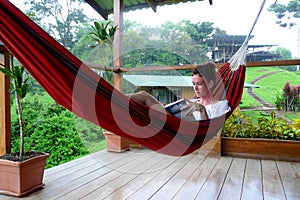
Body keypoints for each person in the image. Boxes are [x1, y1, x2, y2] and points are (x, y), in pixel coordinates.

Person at [127, 62, 230, 120]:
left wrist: (202, 110)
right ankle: (113, 100)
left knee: (144, 95)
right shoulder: (192, 102)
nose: (195, 88)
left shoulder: (221, 105)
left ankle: (112, 98)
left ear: (210, 84)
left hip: (184, 131)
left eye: (199, 84)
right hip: (172, 125)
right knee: (142, 104)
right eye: (193, 84)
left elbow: (212, 132)